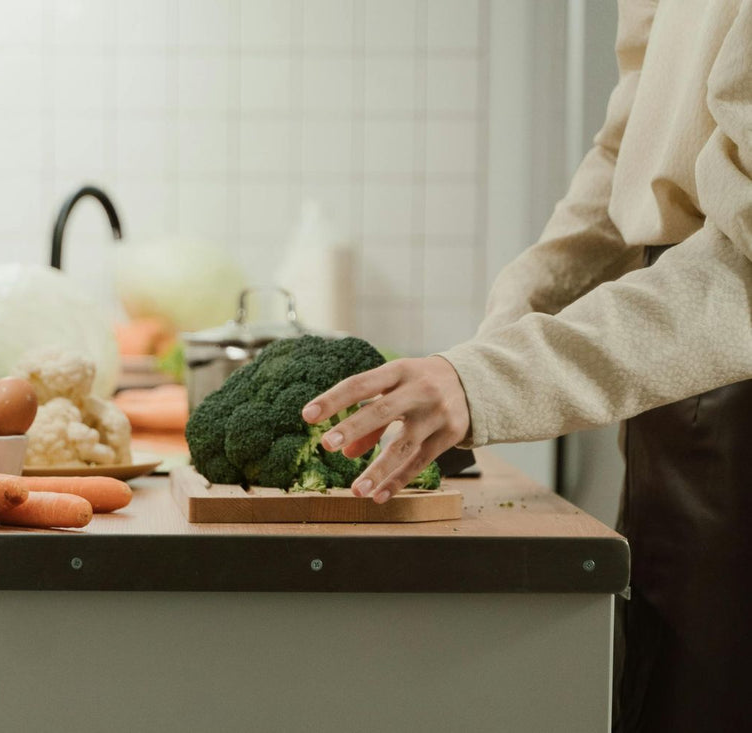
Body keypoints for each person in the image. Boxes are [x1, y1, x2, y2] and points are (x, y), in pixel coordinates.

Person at [303, 1, 752, 731]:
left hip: (732, 383)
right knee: (661, 690)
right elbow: (630, 150)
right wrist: (503, 328)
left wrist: (489, 380)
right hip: (676, 395)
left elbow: (744, 266)